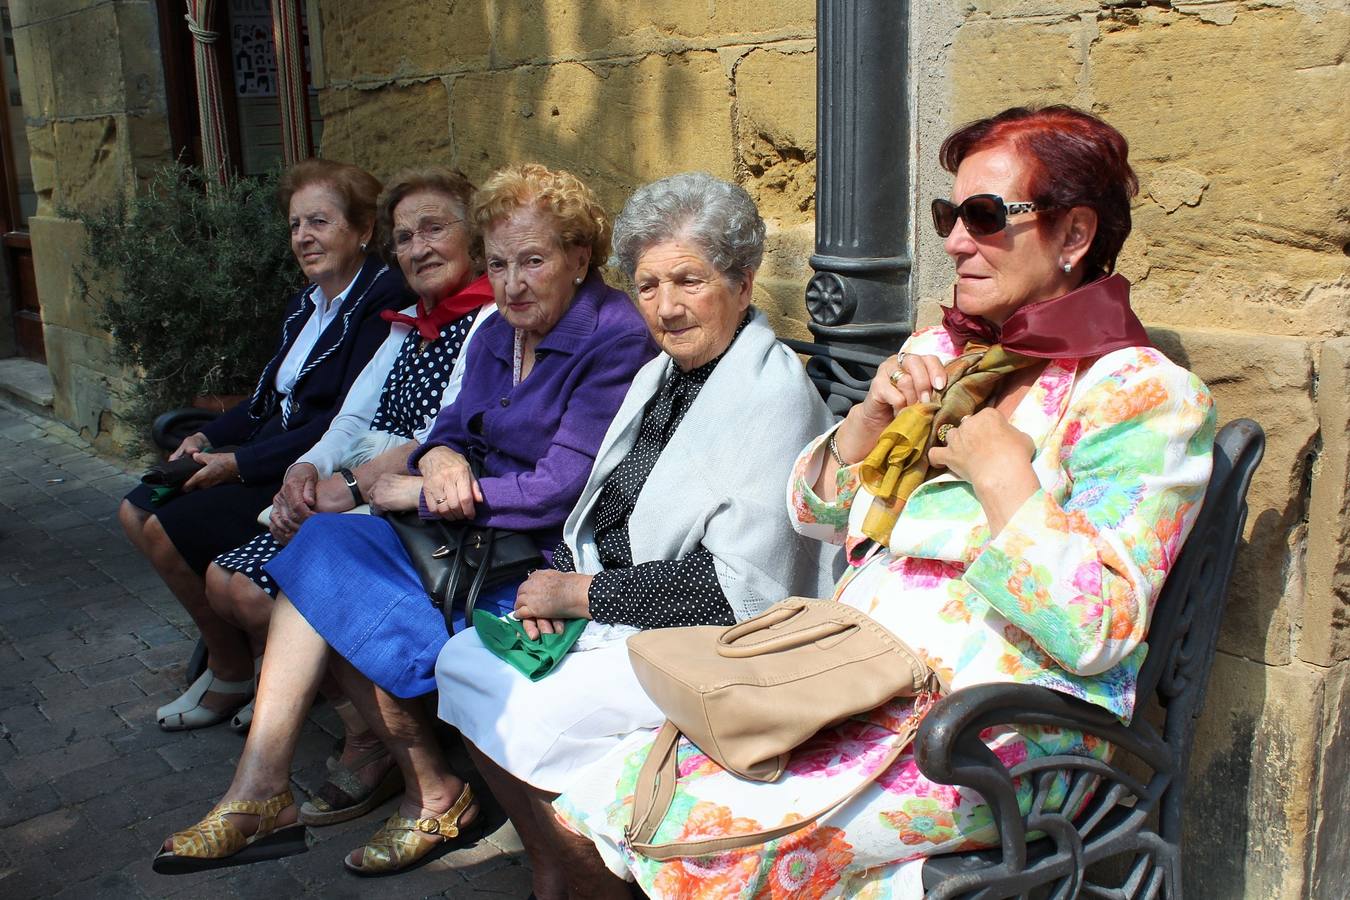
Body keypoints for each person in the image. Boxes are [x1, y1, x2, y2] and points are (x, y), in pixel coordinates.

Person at [553, 105, 1218, 899]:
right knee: (604, 802)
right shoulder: (943, 354)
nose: (955, 240)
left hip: (988, 725)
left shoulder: (1139, 396)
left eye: (983, 216)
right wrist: (864, 425)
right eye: (949, 214)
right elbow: (814, 512)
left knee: (702, 844)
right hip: (843, 677)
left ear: (1074, 236)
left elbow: (1099, 629)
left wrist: (1006, 478)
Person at [151, 163, 658, 877]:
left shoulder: (611, 335)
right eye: (501, 263)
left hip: (538, 557)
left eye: (534, 262)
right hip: (468, 536)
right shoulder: (499, 328)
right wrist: (444, 456)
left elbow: (557, 488)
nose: (512, 283)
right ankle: (265, 786)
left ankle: (425, 794)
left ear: (580, 257)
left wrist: (417, 491)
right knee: (320, 549)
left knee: (332, 575)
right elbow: (452, 421)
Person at [435, 172, 843, 899]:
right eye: (648, 285)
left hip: (711, 642)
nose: (666, 307)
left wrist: (581, 592)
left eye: (689, 280)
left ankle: (585, 874)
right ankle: (559, 859)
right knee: (464, 661)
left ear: (743, 284)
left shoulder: (769, 394)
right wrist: (548, 585)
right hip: (616, 607)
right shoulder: (663, 372)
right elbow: (598, 505)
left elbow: (739, 588)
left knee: (528, 714)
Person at [196, 167, 495, 822]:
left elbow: (440, 435)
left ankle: (374, 743)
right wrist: (305, 468)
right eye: (405, 237)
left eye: (434, 229)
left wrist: (349, 487)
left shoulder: (488, 322)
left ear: (475, 236)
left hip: (404, 497)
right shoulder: (406, 322)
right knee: (225, 579)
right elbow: (350, 421)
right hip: (356, 481)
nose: (417, 248)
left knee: (257, 585)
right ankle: (365, 731)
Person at [118, 159, 410, 732]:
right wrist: (206, 435)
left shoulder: (381, 300)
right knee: (136, 507)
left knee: (163, 525)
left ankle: (237, 669)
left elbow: (338, 421)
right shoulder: (309, 302)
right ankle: (239, 663)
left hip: (295, 467)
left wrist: (237, 464)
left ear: (363, 230)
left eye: (320, 222)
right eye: (296, 224)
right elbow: (263, 402)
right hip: (261, 453)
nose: (304, 237)